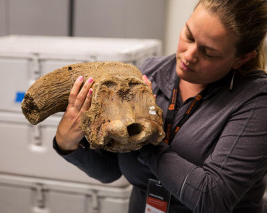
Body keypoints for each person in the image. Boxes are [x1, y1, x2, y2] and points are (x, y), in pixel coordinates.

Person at [53, 0, 267, 212]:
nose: (189, 55)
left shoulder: (257, 101)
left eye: (209, 53)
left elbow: (212, 198)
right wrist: (68, 143)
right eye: (189, 36)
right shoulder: (150, 73)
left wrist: (144, 136)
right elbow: (110, 170)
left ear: (242, 59)